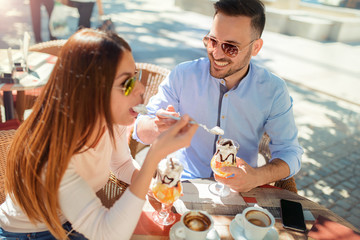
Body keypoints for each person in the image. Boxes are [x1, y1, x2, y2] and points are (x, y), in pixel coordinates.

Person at [0, 28, 197, 239]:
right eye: (126, 83)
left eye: (135, 76)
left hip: (69, 221)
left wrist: (152, 186)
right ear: (90, 92)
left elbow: (121, 164)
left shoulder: (112, 121)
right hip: (30, 233)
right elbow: (107, 233)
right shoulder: (54, 154)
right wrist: (154, 155)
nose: (140, 88)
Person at [133, 0, 303, 192]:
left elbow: (290, 152)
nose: (216, 53)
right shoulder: (183, 75)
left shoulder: (273, 90)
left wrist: (257, 176)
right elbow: (139, 130)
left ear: (256, 47)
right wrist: (157, 126)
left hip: (238, 191)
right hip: (183, 183)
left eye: (230, 47)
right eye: (212, 41)